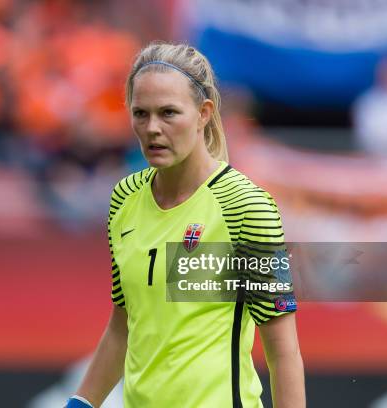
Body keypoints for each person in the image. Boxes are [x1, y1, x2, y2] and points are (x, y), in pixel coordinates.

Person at [66, 42, 305, 407]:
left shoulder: (246, 207)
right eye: (140, 113)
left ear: (204, 113)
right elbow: (123, 324)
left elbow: (283, 352)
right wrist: (80, 403)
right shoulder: (123, 200)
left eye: (168, 113)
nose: (152, 129)